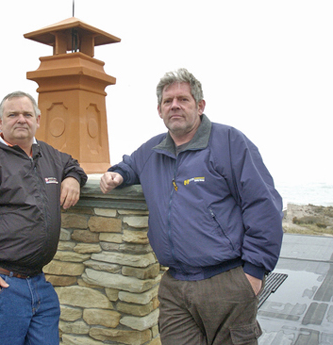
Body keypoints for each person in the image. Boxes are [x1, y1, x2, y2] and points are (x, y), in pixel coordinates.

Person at [100, 68, 283, 345]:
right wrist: (118, 173)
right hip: (174, 286)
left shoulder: (230, 142)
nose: (174, 105)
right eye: (167, 101)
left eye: (183, 99)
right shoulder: (152, 151)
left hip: (227, 281)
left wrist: (255, 271)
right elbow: (131, 165)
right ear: (159, 110)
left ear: (200, 106)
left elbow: (263, 205)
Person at [0, 91, 87, 345]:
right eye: (13, 115)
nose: (21, 119)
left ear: (38, 120)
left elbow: (72, 164)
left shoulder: (48, 155)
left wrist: (73, 178)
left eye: (27, 114)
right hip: (2, 287)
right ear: (0, 122)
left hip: (40, 284)